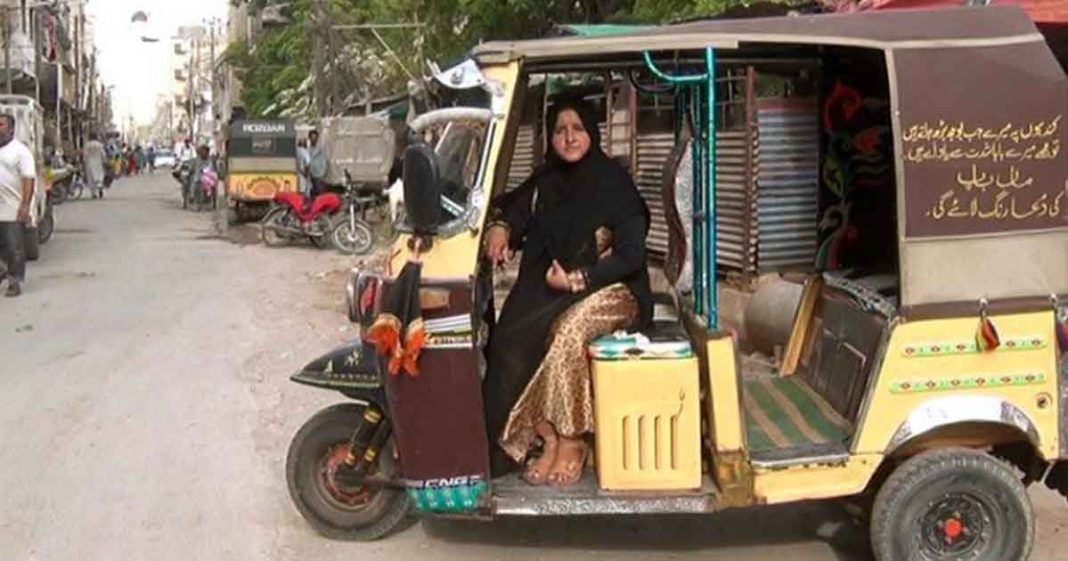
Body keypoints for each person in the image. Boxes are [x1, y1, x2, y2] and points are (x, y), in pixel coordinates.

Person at [481, 97, 652, 487]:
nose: (569, 137)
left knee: (568, 331)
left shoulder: (613, 184)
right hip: (553, 290)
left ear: (592, 132)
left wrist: (577, 279)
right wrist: (502, 228)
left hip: (613, 289)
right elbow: (515, 210)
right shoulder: (547, 181)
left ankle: (571, 440)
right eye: (560, 130)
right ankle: (546, 436)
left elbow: (630, 255)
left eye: (577, 128)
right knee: (511, 336)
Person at [0, 113, 37, 297]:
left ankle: (15, 281)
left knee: (14, 246)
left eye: (1, 124)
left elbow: (28, 179)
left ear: (11, 129)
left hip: (12, 208)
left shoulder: (20, 152)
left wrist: (25, 205)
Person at [305, 130, 328, 198]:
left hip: (319, 174)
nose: (314, 139)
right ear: (309, 138)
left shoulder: (321, 148)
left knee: (320, 194)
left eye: (315, 138)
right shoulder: (307, 149)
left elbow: (325, 160)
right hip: (310, 174)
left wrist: (323, 172)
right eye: (312, 138)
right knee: (312, 194)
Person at [83, 134, 107, 199]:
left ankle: (93, 194)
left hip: (90, 163)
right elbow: (103, 154)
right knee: (99, 176)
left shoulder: (87, 145)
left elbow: (85, 155)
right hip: (98, 163)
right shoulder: (99, 145)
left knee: (91, 179)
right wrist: (104, 161)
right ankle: (100, 187)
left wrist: (84, 162)